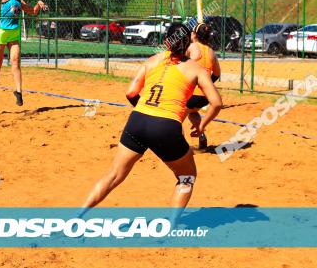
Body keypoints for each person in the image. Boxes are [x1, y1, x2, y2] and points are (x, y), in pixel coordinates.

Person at [81, 23, 222, 216]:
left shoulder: (153, 60)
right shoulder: (196, 69)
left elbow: (130, 92)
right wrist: (202, 126)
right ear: (188, 43)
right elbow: (216, 103)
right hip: (166, 126)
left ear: (166, 42)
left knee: (113, 175)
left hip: (137, 120)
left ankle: (77, 217)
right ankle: (169, 228)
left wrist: (147, 110)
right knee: (187, 176)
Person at [185, 22, 222, 150]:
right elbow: (217, 73)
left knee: (175, 119)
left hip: (191, 93)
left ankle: (179, 148)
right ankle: (202, 137)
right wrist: (207, 85)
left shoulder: (191, 47)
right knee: (192, 113)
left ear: (194, 34)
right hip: (205, 96)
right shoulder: (211, 51)